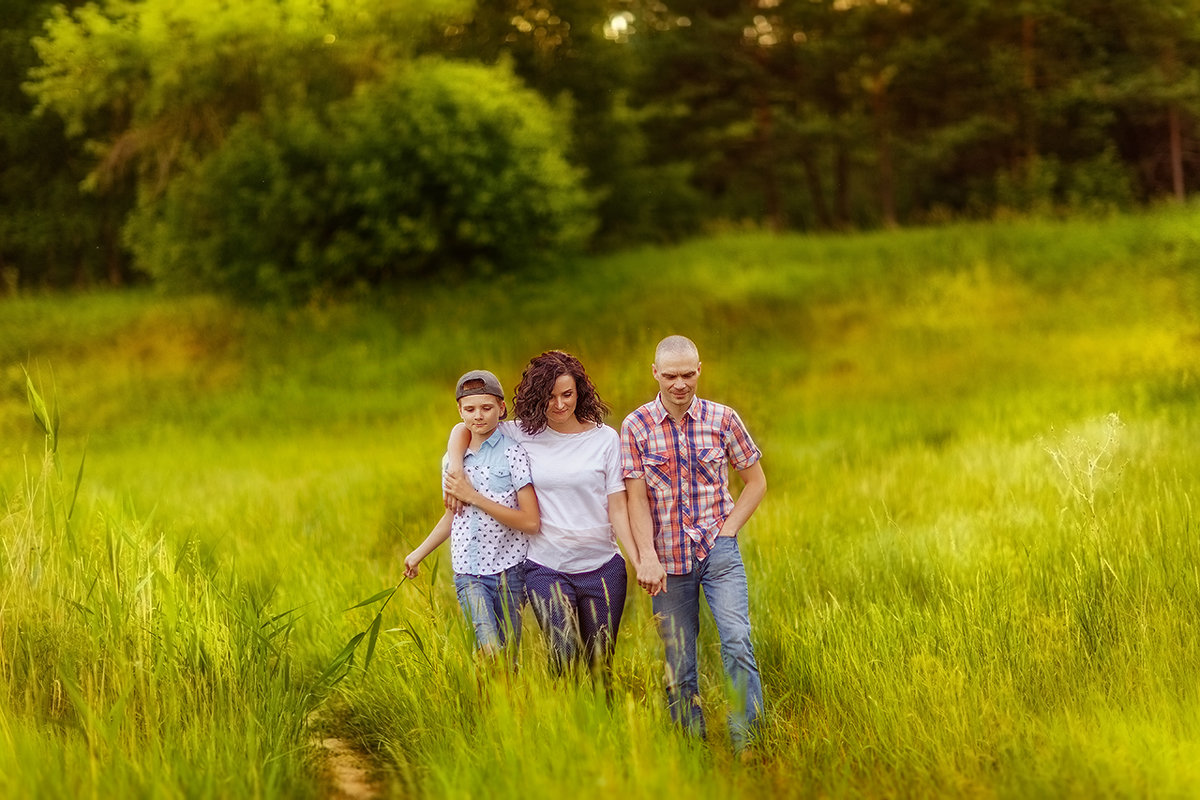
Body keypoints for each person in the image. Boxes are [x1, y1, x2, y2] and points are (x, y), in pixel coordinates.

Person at [446, 351, 638, 682]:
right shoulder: (521, 432)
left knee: (599, 667)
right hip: (545, 566)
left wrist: (640, 560)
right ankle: (558, 719)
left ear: (580, 392)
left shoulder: (605, 439)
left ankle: (598, 725)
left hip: (603, 567)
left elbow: (618, 508)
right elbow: (464, 426)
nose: (560, 405)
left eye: (567, 395)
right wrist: (456, 467)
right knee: (563, 656)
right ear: (537, 396)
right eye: (550, 397)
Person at [620, 335, 767, 750]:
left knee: (737, 639)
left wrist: (730, 529)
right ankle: (692, 746)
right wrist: (647, 557)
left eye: (688, 374)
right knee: (679, 659)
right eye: (670, 376)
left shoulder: (723, 419)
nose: (680, 384)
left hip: (718, 552)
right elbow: (635, 500)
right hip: (667, 559)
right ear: (655, 374)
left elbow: (756, 483)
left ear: (700, 370)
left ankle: (748, 743)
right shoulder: (636, 426)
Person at [404, 370, 540, 659]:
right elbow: (453, 517)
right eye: (470, 409)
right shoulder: (453, 461)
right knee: (490, 650)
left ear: (502, 408)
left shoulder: (513, 453)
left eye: (487, 408)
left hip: (510, 571)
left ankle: (498, 702)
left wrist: (474, 497)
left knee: (508, 658)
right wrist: (418, 554)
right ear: (460, 411)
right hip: (469, 570)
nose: (478, 416)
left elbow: (530, 521)